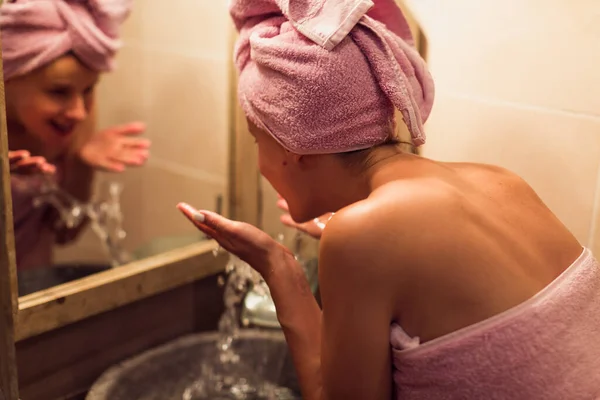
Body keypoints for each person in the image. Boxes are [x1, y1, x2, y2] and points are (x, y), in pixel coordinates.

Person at [178, 0, 600, 398]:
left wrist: (279, 268)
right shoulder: (500, 180)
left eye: (258, 139)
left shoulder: (362, 235)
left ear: (292, 146)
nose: (259, 162)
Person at [1, 0, 150, 270]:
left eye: (89, 89)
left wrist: (81, 165)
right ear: (6, 80)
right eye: (58, 92)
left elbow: (64, 232)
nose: (79, 111)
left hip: (36, 290)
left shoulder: (70, 120)